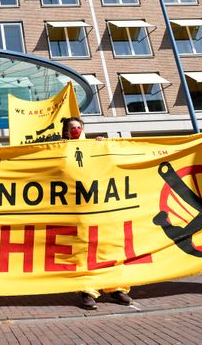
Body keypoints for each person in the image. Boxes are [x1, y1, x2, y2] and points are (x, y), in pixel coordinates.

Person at [61, 117, 131, 309]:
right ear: (67, 132)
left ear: (83, 129)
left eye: (78, 127)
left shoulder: (96, 146)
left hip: (101, 207)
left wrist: (103, 146)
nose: (75, 130)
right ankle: (87, 291)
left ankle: (116, 289)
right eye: (71, 128)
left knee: (108, 247)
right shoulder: (61, 149)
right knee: (83, 251)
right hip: (78, 211)